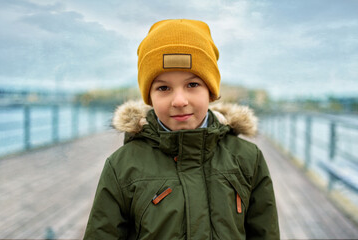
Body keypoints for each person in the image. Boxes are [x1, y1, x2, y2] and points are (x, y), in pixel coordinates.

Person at [83, 19, 279, 240]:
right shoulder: (122, 167)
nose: (179, 100)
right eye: (163, 88)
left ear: (211, 91)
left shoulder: (248, 159)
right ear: (150, 97)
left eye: (192, 85)